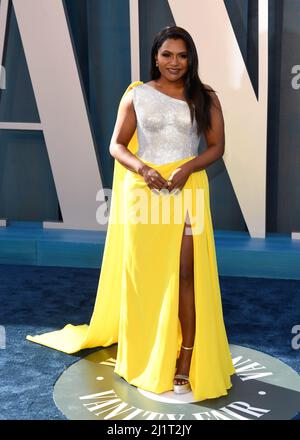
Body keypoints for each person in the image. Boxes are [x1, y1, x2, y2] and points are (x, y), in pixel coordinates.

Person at [27, 25, 235, 400]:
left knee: (187, 276)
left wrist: (188, 168)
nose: (174, 62)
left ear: (191, 59)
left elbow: (217, 147)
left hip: (187, 195)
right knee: (145, 280)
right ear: (155, 56)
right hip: (145, 196)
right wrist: (143, 169)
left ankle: (186, 361)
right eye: (167, 54)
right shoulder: (137, 95)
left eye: (182, 55)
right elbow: (116, 145)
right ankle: (146, 357)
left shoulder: (204, 97)